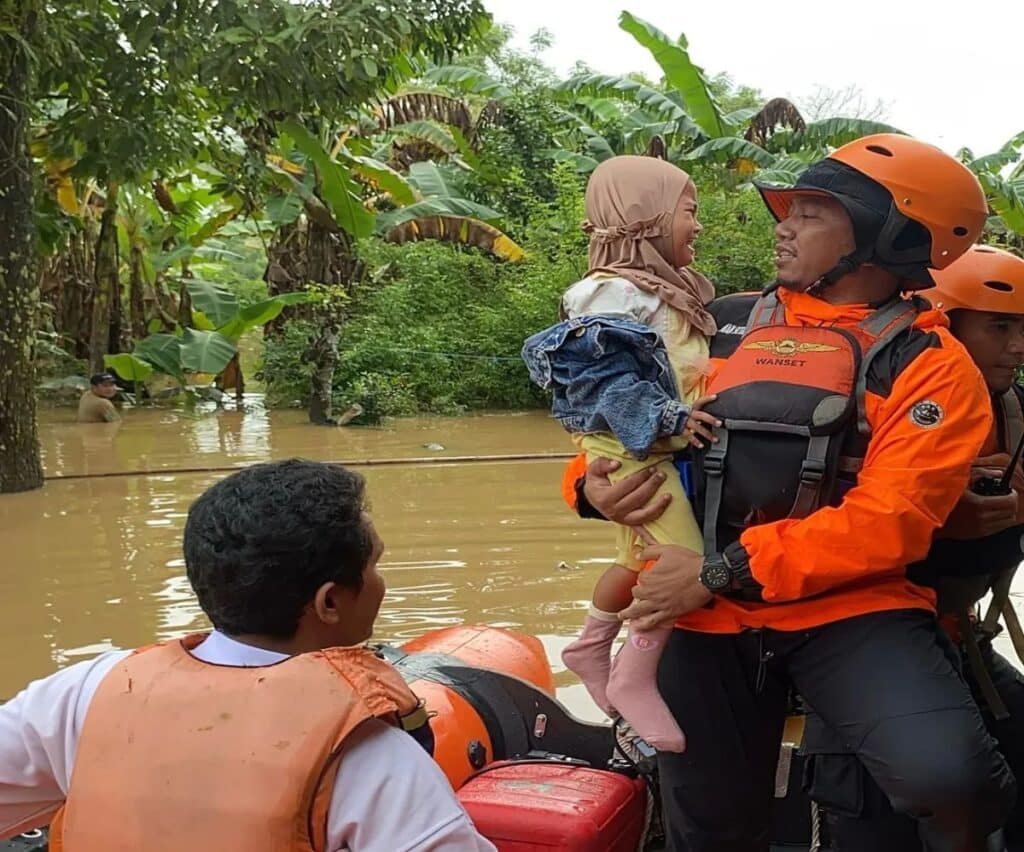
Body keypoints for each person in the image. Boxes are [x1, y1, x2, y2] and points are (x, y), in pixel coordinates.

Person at [572, 134, 1016, 851]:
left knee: (951, 779)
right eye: (789, 209)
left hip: (847, 606)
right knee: (708, 821)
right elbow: (616, 429)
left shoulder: (931, 365)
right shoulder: (715, 327)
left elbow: (891, 521)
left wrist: (722, 569)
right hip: (700, 612)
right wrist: (594, 491)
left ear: (891, 236)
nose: (784, 224)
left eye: (811, 212)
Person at [0, 459, 495, 852]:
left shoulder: (89, 690)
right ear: (329, 602)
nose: (382, 582)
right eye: (375, 564)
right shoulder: (367, 752)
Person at [812, 244, 1024, 851]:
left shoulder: (1012, 410)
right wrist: (942, 517)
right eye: (1000, 326)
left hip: (955, 635)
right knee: (867, 807)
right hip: (854, 636)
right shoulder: (863, 405)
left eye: (1023, 328)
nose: (1017, 346)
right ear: (946, 324)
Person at [522, 155, 719, 752]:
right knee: (684, 558)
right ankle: (634, 675)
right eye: (689, 211)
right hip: (637, 445)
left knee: (638, 561)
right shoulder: (611, 293)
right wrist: (589, 485)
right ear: (647, 215)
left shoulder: (682, 299)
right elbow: (604, 383)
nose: (699, 226)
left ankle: (588, 644)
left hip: (657, 450)